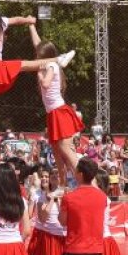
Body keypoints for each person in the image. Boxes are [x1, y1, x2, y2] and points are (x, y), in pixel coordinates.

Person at [28, 23, 84, 179]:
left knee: (66, 151)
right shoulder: (47, 63)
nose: (36, 55)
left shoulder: (50, 65)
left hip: (59, 111)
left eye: (38, 54)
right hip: (52, 112)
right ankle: (62, 184)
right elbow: (37, 44)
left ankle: (86, 183)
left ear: (44, 55)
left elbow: (45, 84)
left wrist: (39, 73)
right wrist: (31, 25)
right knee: (56, 151)